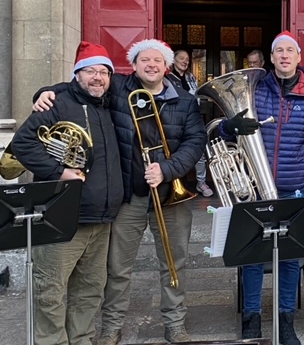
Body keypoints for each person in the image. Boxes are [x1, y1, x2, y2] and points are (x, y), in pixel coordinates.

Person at [34, 39, 207, 345]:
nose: (151, 65)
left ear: (166, 66)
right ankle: (112, 326)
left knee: (173, 263)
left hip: (171, 195)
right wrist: (44, 93)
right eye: (145, 60)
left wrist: (167, 169)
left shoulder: (184, 100)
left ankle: (175, 324)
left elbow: (195, 141)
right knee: (117, 266)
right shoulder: (117, 88)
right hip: (130, 195)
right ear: (135, 64)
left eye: (157, 60)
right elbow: (80, 85)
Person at [219, 30, 304, 345]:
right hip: (255, 187)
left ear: (298, 57)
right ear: (271, 58)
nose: (284, 56)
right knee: (253, 254)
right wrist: (231, 126)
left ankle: (285, 321)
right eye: (278, 51)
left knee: (291, 258)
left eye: (289, 51)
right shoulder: (253, 89)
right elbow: (224, 130)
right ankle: (252, 318)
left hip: (295, 189)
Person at [12, 42, 124, 345]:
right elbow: (22, 145)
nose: (98, 77)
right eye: (90, 71)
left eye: (104, 72)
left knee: (89, 291)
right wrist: (60, 172)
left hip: (100, 219)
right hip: (61, 217)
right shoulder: (57, 103)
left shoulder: (109, 104)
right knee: (50, 291)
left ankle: (82, 340)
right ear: (77, 75)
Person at [166, 49, 213, 198]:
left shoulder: (191, 77)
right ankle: (176, 184)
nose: (185, 61)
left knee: (199, 152)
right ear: (174, 60)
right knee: (175, 152)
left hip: (193, 119)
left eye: (187, 59)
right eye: (181, 58)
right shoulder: (167, 78)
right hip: (175, 121)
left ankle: (201, 183)